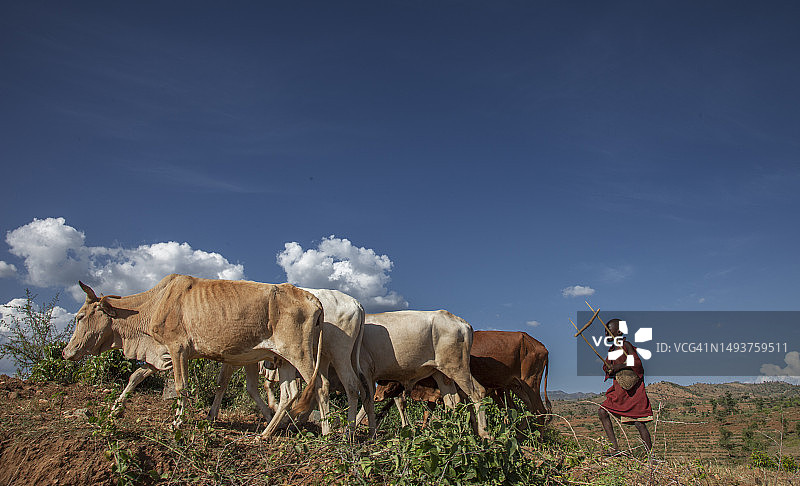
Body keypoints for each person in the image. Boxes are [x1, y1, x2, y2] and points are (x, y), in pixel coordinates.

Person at [598, 318, 653, 455]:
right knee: (602, 412)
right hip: (619, 390)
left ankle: (649, 456)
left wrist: (619, 367)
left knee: (639, 423)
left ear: (619, 332)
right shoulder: (612, 350)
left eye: (608, 331)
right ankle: (615, 448)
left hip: (632, 391)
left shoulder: (626, 345)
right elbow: (608, 367)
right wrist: (609, 369)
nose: (606, 334)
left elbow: (636, 363)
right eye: (605, 332)